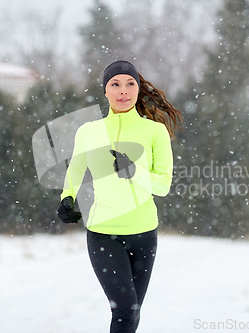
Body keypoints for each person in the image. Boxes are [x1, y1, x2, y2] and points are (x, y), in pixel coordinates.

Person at [57, 60, 183, 333]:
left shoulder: (154, 132)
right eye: (115, 84)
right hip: (103, 234)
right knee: (125, 311)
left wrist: (134, 171)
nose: (123, 90)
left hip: (144, 234)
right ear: (105, 91)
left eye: (130, 84)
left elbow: (162, 186)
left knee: (132, 313)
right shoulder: (88, 132)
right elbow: (75, 169)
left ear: (138, 89)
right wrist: (67, 198)